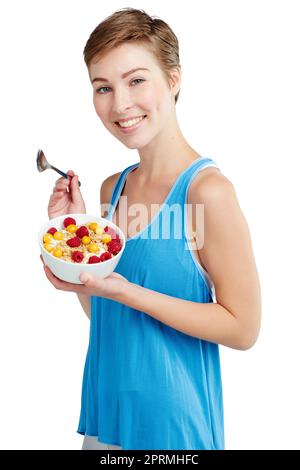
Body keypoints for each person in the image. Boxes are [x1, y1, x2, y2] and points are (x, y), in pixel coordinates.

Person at [43, 7, 261, 450]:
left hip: (172, 433)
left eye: (136, 80)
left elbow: (244, 329)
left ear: (174, 79)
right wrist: (73, 236)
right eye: (103, 87)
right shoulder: (112, 189)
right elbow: (106, 312)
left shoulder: (207, 192)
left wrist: (129, 292)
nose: (119, 104)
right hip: (105, 424)